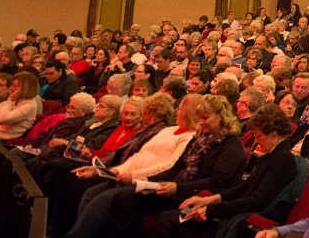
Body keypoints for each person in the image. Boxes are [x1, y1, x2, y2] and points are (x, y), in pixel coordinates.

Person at [63, 95, 247, 238]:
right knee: (125, 197)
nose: (200, 122)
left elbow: (218, 181)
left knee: (124, 199)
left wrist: (176, 187)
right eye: (199, 118)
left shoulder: (231, 145)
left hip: (195, 196)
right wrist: (147, 182)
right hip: (174, 188)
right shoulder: (200, 138)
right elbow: (175, 169)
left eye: (205, 118)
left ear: (221, 117)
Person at [153, 103, 300, 238]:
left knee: (170, 221)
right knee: (169, 217)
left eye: (258, 135)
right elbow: (243, 188)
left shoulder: (282, 159)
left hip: (248, 222)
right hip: (240, 213)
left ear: (273, 132)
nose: (256, 140)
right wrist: (209, 200)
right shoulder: (273, 155)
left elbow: (257, 201)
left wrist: (212, 210)